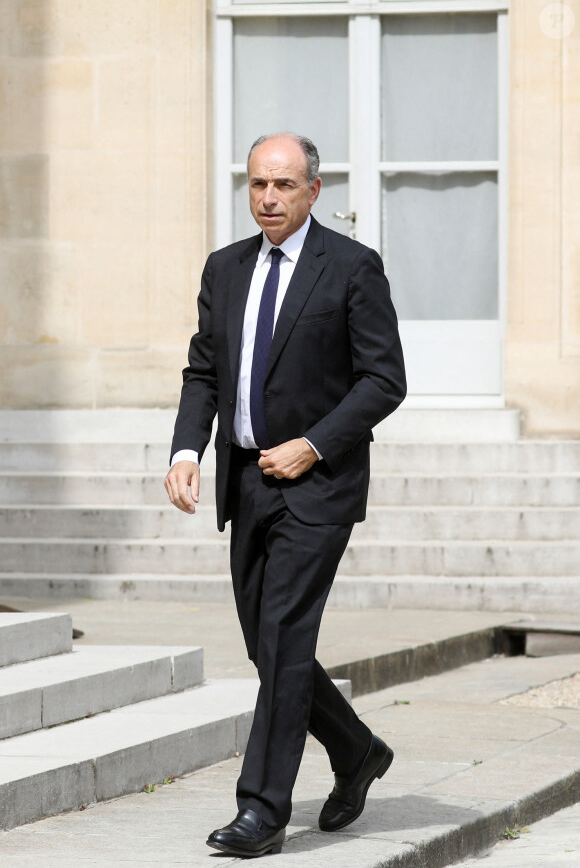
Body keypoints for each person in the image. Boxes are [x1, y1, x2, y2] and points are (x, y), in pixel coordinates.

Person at [164, 132, 406, 858]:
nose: (268, 198)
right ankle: (357, 748)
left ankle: (261, 811)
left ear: (313, 191)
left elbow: (383, 380)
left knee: (286, 636)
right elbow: (204, 370)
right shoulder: (226, 268)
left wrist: (315, 443)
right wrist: (186, 449)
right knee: (268, 647)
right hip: (246, 483)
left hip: (319, 486)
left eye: (283, 186)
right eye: (257, 185)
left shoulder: (353, 269)